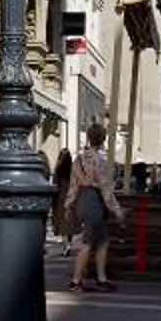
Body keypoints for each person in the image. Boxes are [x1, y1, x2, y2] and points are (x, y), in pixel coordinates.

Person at [66, 123, 123, 292]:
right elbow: (106, 189)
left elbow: (73, 184)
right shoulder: (101, 161)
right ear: (103, 139)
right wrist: (117, 210)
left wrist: (68, 204)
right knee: (89, 242)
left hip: (82, 199)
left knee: (103, 240)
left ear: (89, 138)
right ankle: (76, 281)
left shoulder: (79, 159)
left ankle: (101, 278)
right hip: (94, 200)